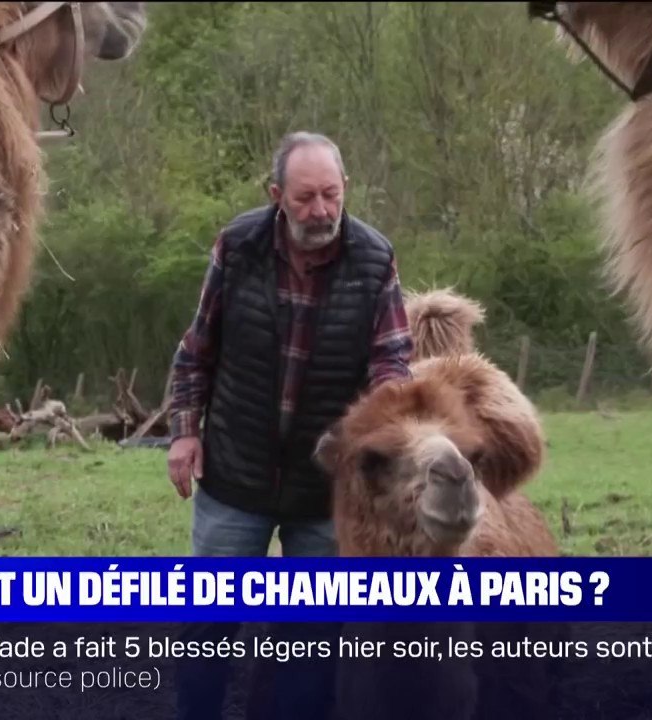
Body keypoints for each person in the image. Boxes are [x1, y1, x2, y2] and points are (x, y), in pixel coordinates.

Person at [166, 131, 413, 720]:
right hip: (235, 476)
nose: (321, 211)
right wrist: (183, 430)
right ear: (276, 193)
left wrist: (385, 427)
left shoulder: (375, 259)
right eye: (305, 198)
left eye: (331, 194)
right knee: (208, 628)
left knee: (310, 641)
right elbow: (196, 350)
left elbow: (392, 361)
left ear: (345, 188)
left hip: (323, 489)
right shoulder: (239, 245)